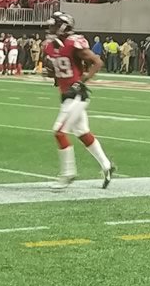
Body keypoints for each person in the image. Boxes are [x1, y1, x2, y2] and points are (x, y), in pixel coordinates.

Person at [42, 11, 114, 189]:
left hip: (77, 95)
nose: (50, 29)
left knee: (59, 132)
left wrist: (82, 81)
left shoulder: (74, 44)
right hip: (66, 95)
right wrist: (51, 73)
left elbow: (97, 62)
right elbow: (60, 73)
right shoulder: (50, 47)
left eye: (54, 25)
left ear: (63, 27)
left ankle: (68, 173)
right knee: (82, 132)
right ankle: (107, 166)